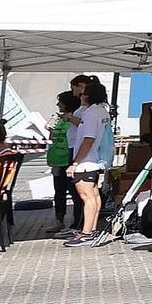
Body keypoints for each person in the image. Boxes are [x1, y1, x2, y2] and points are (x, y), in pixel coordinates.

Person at [66, 78, 111, 246]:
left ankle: (86, 232)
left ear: (88, 96)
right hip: (96, 160)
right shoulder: (102, 111)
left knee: (87, 197)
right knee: (94, 195)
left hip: (87, 161)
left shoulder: (91, 114)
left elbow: (88, 140)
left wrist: (75, 162)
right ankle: (91, 229)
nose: (80, 96)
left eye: (83, 94)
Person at [46, 91, 80, 234]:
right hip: (56, 159)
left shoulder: (74, 118)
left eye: (60, 102)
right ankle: (59, 221)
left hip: (69, 159)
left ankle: (77, 222)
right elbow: (53, 138)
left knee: (73, 192)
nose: (57, 104)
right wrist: (50, 129)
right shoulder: (58, 119)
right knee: (58, 192)